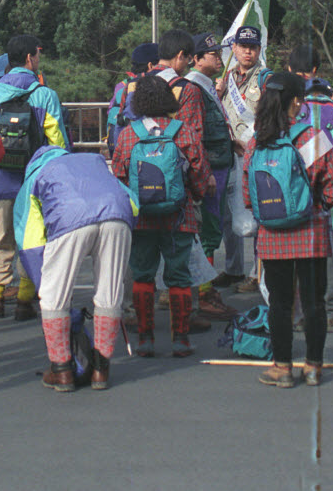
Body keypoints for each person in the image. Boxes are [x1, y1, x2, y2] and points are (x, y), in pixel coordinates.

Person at [244, 70, 333, 389]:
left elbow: (249, 197)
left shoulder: (256, 141)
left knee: (280, 302)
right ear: (297, 101)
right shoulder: (313, 137)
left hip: (272, 235)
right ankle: (314, 367)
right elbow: (332, 189)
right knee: (314, 302)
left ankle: (282, 367)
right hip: (311, 232)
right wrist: (318, 208)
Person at [14, 142, 135, 392]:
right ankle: (101, 370)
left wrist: (44, 284)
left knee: (53, 298)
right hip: (117, 214)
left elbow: (29, 240)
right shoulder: (93, 162)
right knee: (109, 294)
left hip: (71, 218)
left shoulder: (35, 176)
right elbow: (131, 202)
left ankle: (62, 372)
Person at [110, 73, 210, 358]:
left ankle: (145, 338)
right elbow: (199, 172)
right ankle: (180, 339)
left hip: (142, 219)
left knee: (143, 276)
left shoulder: (129, 134)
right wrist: (198, 196)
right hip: (180, 217)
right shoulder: (184, 131)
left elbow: (118, 176)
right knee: (179, 277)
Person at [0, 34, 70, 319]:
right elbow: (58, 143)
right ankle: (24, 300)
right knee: (31, 240)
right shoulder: (45, 95)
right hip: (34, 183)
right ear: (30, 59)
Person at [287, 41, 333, 331]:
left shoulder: (291, 105)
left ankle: (301, 312)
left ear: (291, 70)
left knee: (298, 248)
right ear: (317, 70)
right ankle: (332, 311)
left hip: (297, 187)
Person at [186, 32, 238, 323]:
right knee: (207, 232)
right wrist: (204, 173)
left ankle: (202, 290)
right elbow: (196, 135)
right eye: (213, 54)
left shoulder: (205, 86)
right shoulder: (194, 87)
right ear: (196, 59)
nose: (219, 58)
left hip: (218, 164)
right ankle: (204, 293)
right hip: (209, 170)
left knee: (213, 229)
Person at [217, 25, 266, 291]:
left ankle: (259, 272)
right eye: (243, 46)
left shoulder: (265, 78)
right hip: (229, 154)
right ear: (233, 49)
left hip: (255, 154)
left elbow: (270, 117)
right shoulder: (227, 79)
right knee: (228, 215)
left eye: (253, 47)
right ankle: (233, 268)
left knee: (259, 213)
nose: (248, 51)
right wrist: (220, 92)